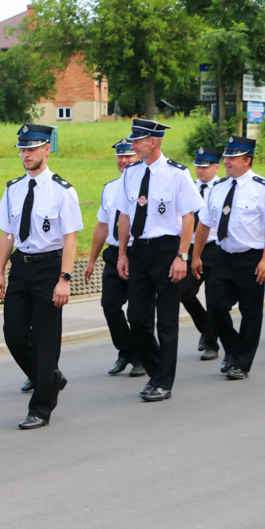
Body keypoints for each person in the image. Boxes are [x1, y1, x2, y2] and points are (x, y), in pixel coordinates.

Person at [0, 124, 83, 429]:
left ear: (47, 149)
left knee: (45, 341)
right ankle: (50, 377)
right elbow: (8, 233)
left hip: (49, 268)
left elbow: (70, 237)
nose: (25, 154)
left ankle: (40, 408)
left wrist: (64, 278)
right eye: (22, 149)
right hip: (22, 266)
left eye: (31, 149)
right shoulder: (13, 189)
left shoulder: (62, 191)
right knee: (14, 334)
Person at [115, 119, 204, 402]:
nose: (132, 145)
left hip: (167, 251)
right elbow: (125, 215)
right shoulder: (131, 173)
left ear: (153, 142)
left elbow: (189, 216)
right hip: (139, 250)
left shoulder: (177, 174)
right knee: (137, 318)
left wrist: (182, 256)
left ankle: (164, 381)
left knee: (166, 322)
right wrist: (122, 253)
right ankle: (157, 372)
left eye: (137, 141)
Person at [192, 136, 265, 379]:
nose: (227, 161)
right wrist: (195, 256)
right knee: (215, 306)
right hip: (224, 256)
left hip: (251, 258)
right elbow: (203, 224)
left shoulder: (262, 188)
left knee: (251, 312)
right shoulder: (219, 187)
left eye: (233, 158)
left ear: (247, 160)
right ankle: (233, 350)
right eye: (226, 157)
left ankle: (242, 364)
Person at [84, 138, 145, 378]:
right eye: (120, 156)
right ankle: (126, 350)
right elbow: (101, 226)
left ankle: (142, 356)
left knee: (138, 312)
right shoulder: (110, 188)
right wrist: (91, 260)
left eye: (129, 156)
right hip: (113, 252)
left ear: (138, 156)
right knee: (109, 306)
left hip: (139, 253)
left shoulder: (146, 185)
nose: (124, 161)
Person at [179, 147, 221, 361]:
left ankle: (211, 345)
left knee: (214, 299)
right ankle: (207, 330)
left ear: (216, 166)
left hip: (214, 249)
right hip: (191, 248)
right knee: (183, 293)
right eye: (198, 166)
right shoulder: (191, 188)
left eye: (205, 166)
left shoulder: (223, 188)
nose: (200, 170)